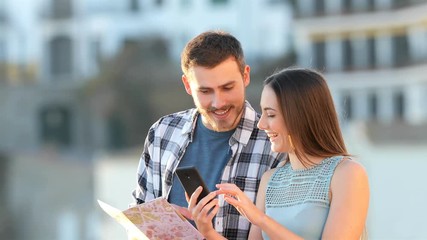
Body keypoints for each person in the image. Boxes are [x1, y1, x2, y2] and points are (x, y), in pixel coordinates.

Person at [131, 30, 285, 239]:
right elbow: (137, 223)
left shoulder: (276, 144)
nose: (218, 102)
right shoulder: (162, 133)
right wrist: (162, 225)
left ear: (246, 76)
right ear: (187, 85)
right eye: (205, 91)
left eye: (227, 88)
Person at [189, 68, 370, 240]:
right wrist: (208, 231)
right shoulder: (270, 179)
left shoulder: (347, 173)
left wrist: (260, 219)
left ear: (300, 116)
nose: (261, 124)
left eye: (271, 115)